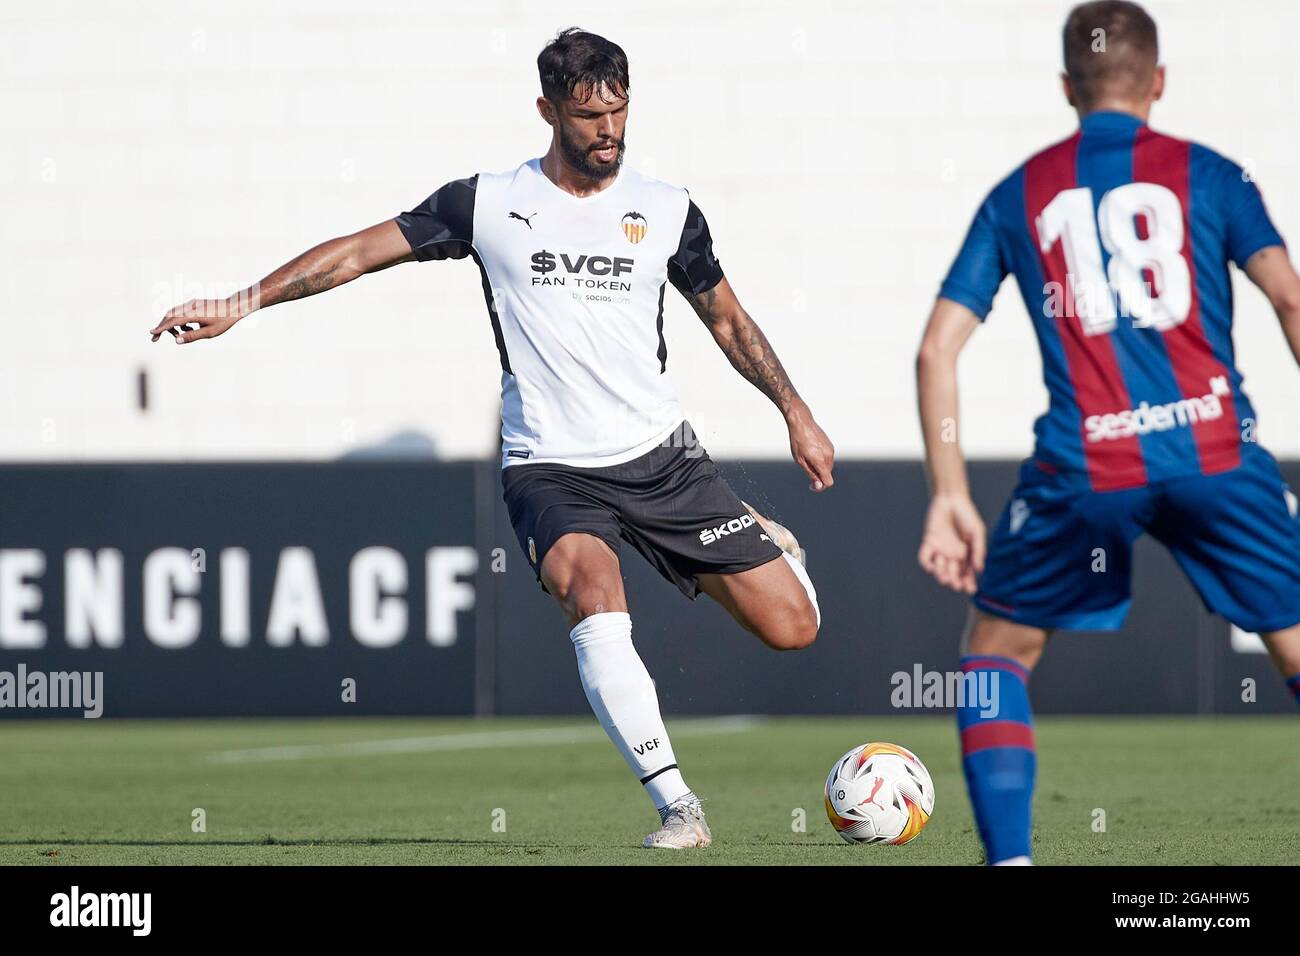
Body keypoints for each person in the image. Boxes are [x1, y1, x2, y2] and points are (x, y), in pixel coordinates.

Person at [150, 27, 834, 850]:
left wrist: (793, 409)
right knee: (592, 589)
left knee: (794, 628)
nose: (608, 130)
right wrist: (241, 302)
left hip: (664, 460)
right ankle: (678, 804)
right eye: (588, 116)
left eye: (619, 111)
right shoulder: (487, 203)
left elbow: (727, 318)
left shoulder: (666, 211)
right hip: (550, 467)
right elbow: (359, 254)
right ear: (547, 110)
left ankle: (759, 544)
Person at [915, 0, 1300, 865]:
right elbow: (1292, 299)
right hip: (1216, 452)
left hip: (1087, 465)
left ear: (1066, 88)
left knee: (993, 657)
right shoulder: (1215, 175)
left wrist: (949, 496)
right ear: (1158, 81)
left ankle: (1011, 862)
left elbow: (937, 349)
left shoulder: (1018, 192)